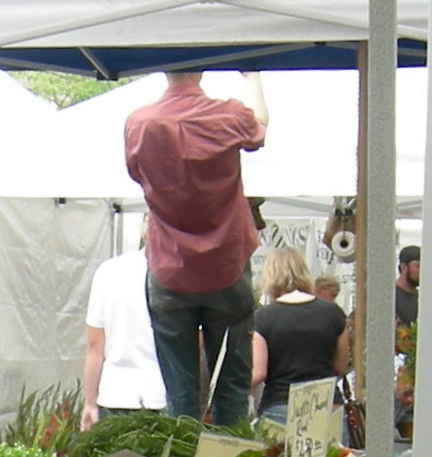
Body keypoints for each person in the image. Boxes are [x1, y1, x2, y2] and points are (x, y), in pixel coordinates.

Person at [123, 70, 264, 425]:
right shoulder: (228, 116)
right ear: (201, 70)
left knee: (180, 394)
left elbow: (136, 173)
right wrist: (253, 77)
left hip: (169, 266)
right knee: (231, 387)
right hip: (226, 265)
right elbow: (260, 126)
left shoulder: (139, 124)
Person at [251, 245, 350, 413]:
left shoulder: (262, 317)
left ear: (269, 277)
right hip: (327, 405)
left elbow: (258, 372)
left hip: (280, 404)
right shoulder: (334, 313)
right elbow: (340, 367)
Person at [81, 243, 164, 427]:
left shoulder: (108, 271)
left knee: (115, 456)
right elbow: (192, 348)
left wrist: (90, 403)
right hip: (160, 395)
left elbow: (94, 346)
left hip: (114, 394)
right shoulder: (179, 274)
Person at [393, 245, 422, 328]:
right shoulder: (390, 296)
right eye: (418, 266)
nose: (421, 271)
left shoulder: (421, 298)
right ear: (403, 267)